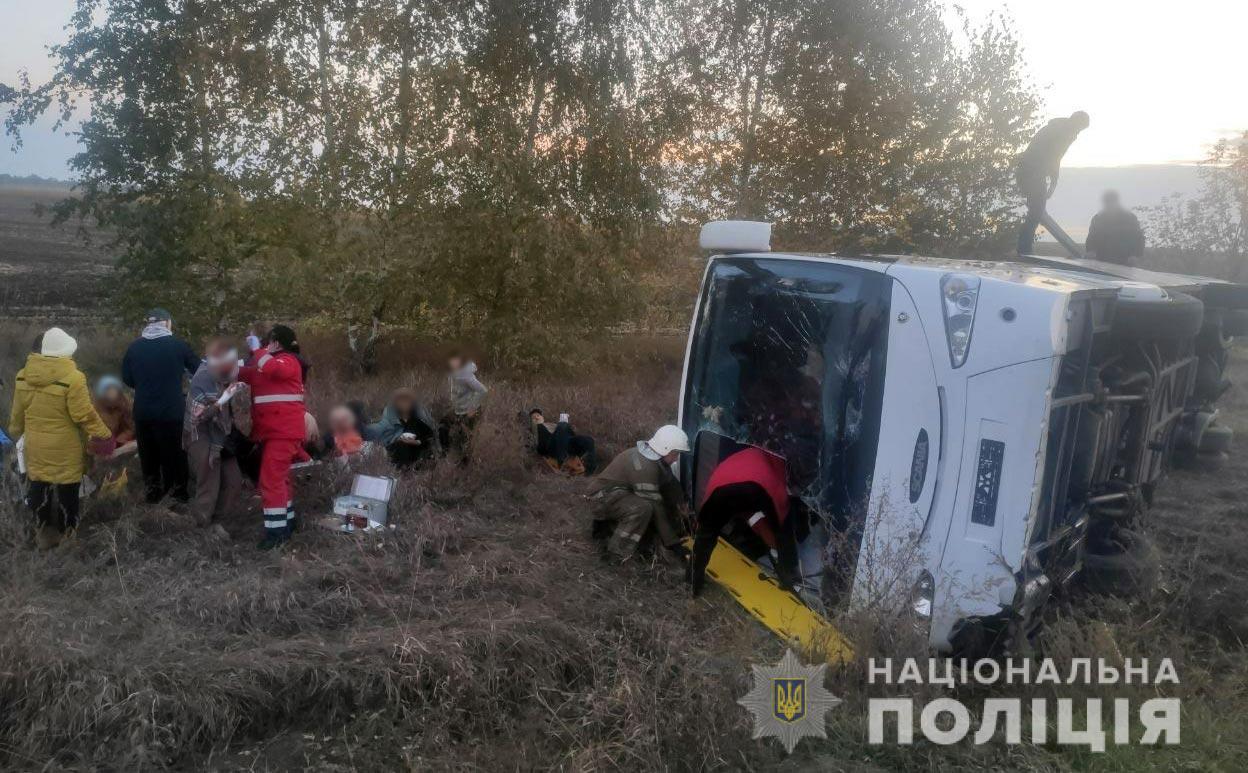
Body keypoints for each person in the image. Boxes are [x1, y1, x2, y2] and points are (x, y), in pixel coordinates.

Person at [7, 328, 115, 549]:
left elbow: (17, 415)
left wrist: (16, 432)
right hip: (66, 449)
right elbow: (83, 415)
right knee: (68, 492)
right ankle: (68, 535)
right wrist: (103, 434)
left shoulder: (23, 376)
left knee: (39, 487)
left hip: (36, 446)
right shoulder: (73, 378)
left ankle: (43, 535)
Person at [688, 446, 800, 597]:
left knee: (706, 535)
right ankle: (788, 578)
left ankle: (692, 581)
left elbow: (708, 518)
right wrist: (787, 556)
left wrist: (702, 521)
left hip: (719, 486)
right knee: (782, 528)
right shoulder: (779, 466)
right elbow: (782, 516)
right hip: (756, 486)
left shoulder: (746, 454)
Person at [237, 324, 309, 550]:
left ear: (276, 343)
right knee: (280, 479)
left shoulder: (289, 362)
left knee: (271, 481)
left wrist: (257, 350)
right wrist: (218, 366)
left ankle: (276, 534)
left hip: (283, 434)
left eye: (267, 342)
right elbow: (246, 373)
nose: (264, 346)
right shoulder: (266, 367)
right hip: (274, 433)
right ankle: (287, 523)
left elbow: (271, 368)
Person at [121, 308, 199, 504]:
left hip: (143, 412)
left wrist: (145, 385)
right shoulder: (178, 346)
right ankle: (177, 497)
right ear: (167, 323)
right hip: (171, 412)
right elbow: (199, 370)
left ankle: (153, 495)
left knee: (149, 457)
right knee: (174, 456)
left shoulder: (134, 348)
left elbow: (127, 379)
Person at [586, 424, 690, 560]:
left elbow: (671, 484)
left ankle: (606, 526)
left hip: (617, 493)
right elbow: (656, 507)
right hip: (601, 497)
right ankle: (616, 553)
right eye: (675, 454)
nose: (676, 459)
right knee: (643, 509)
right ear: (665, 449)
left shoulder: (657, 459)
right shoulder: (646, 467)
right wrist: (673, 543)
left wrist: (682, 504)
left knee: (649, 505)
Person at [184, 339, 247, 526]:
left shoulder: (227, 373)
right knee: (209, 480)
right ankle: (201, 525)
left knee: (234, 481)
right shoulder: (202, 379)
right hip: (199, 434)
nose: (234, 367)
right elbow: (198, 418)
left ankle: (219, 521)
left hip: (221, 434)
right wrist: (223, 399)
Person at [1016, 111, 1090, 255]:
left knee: (1036, 209)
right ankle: (1024, 248)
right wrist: (1053, 183)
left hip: (1028, 171)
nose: (1078, 133)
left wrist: (1051, 183)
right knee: (1036, 211)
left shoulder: (1059, 128)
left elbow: (1053, 157)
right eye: (1079, 129)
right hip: (1032, 172)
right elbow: (1055, 157)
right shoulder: (1063, 132)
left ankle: (1024, 245)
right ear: (1076, 123)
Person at [370, 388, 440, 469]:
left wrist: (417, 442)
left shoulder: (419, 419)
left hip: (417, 457)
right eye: (401, 401)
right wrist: (397, 439)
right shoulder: (390, 419)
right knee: (401, 446)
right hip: (396, 458)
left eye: (407, 401)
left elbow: (429, 436)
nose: (404, 404)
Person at [445, 353, 488, 462]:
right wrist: (453, 404)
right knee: (456, 435)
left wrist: (472, 408)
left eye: (456, 360)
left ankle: (468, 463)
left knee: (467, 439)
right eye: (451, 360)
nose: (453, 363)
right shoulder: (451, 374)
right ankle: (456, 460)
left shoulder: (466, 375)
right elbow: (454, 392)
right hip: (459, 411)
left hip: (471, 411)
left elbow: (483, 391)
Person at [1085, 190, 1146, 265]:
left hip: (1124, 263)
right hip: (1100, 262)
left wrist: (1135, 256)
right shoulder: (1097, 219)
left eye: (1111, 201)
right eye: (1106, 202)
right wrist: (1090, 251)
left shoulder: (1130, 218)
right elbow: (1091, 238)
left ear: (1117, 202)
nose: (1109, 204)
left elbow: (1139, 238)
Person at [529, 408, 596, 474]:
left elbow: (569, 433)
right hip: (552, 447)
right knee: (562, 425)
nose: (536, 418)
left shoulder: (552, 425)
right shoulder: (535, 428)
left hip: (566, 443)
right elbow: (540, 445)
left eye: (538, 415)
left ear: (542, 417)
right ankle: (561, 460)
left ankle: (590, 469)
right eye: (533, 418)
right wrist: (537, 425)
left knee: (589, 440)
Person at [92, 375, 137, 455]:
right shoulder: (97, 408)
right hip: (105, 442)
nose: (112, 392)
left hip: (122, 440)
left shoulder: (124, 403)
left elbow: (131, 425)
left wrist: (123, 437)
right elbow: (98, 430)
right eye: (108, 390)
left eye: (114, 389)